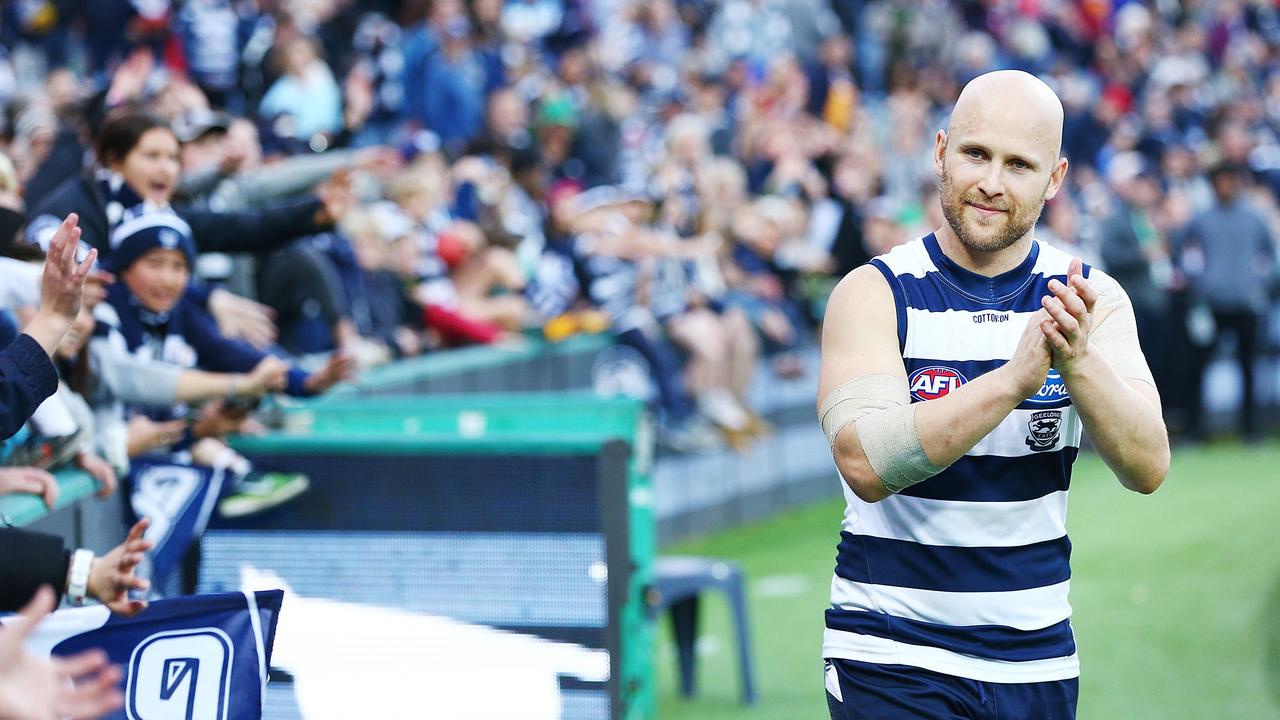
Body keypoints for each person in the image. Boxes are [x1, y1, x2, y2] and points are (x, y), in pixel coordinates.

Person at [817, 71, 1170, 719]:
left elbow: (1148, 466)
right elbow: (866, 462)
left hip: (1036, 653)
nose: (991, 182)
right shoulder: (875, 292)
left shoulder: (1092, 299)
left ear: (1055, 179)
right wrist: (1012, 382)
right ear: (940, 151)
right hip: (893, 651)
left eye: (1019, 164)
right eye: (976, 154)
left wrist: (1078, 359)